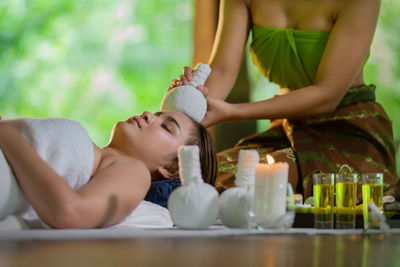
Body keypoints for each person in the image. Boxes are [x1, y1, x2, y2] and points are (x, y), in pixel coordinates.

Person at [172, 0, 399, 199]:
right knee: (197, 178)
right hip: (286, 132)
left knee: (240, 187)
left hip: (348, 131)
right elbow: (221, 71)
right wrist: (192, 97)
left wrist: (232, 111)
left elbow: (326, 95)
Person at [0, 111, 217, 228]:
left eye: (165, 127)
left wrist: (6, 133)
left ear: (171, 169)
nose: (148, 114)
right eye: (158, 113)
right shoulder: (97, 154)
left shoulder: (135, 172)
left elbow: (70, 212)